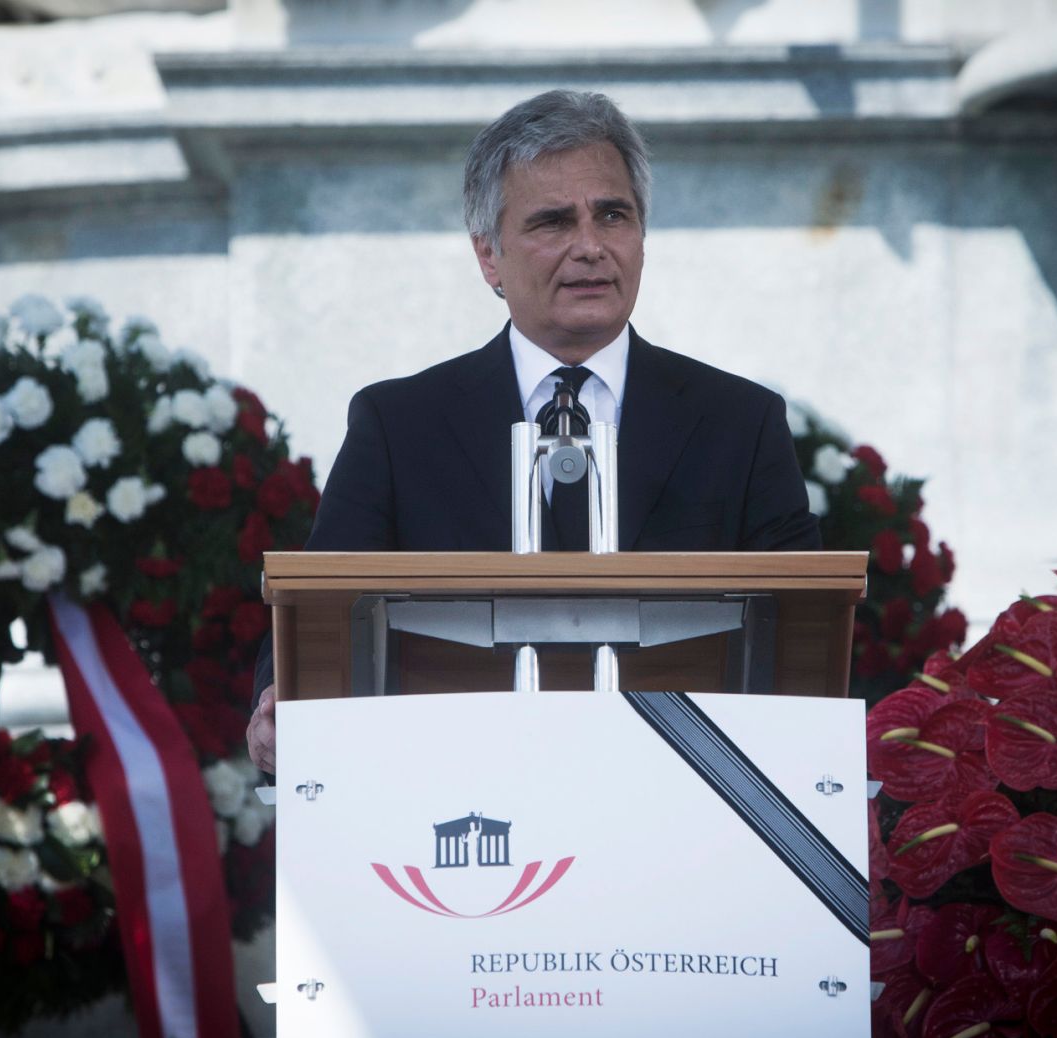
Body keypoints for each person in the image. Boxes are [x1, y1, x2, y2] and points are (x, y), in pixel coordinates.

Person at [246, 89, 819, 772]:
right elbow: (321, 618)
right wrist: (280, 703)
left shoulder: (740, 422)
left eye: (613, 215)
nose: (591, 247)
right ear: (488, 256)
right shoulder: (399, 426)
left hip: (687, 791)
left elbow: (804, 638)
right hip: (457, 789)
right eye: (553, 222)